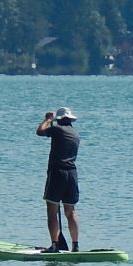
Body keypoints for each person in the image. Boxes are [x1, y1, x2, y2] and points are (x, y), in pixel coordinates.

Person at [35, 106, 81, 252]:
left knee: (52, 209)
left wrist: (48, 120)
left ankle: (55, 245)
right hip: (72, 174)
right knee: (70, 211)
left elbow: (40, 131)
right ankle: (75, 245)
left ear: (60, 120)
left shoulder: (57, 129)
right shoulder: (75, 133)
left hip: (58, 173)